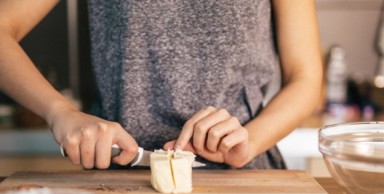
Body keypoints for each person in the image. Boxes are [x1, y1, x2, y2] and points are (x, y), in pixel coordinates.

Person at [0, 0, 322, 170]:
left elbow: (306, 77)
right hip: (119, 181)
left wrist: (249, 141)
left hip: (245, 176)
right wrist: (60, 112)